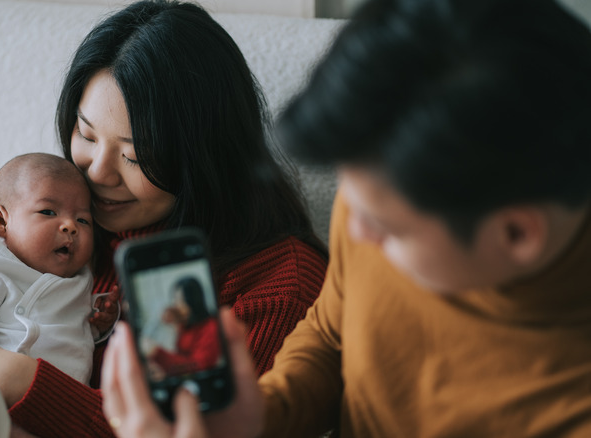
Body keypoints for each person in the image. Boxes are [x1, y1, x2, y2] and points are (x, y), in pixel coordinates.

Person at [100, 0, 591, 436]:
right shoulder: (374, 205)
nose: (353, 231)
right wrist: (256, 418)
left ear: (517, 234)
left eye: (387, 226)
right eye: (351, 198)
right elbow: (334, 336)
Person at [0, 1, 328, 437]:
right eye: (86, 134)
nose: (95, 172)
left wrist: (19, 378)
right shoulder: (67, 234)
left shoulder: (278, 283)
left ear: (203, 158)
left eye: (135, 157)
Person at [0, 152, 117, 383]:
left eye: (82, 220)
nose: (70, 226)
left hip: (62, 404)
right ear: (0, 221)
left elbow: (72, 334)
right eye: (48, 212)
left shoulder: (81, 276)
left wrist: (99, 321)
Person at [143, 277, 221, 379]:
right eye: (175, 299)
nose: (177, 305)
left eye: (181, 300)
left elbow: (198, 365)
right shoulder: (184, 325)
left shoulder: (211, 326)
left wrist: (159, 354)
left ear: (193, 301)